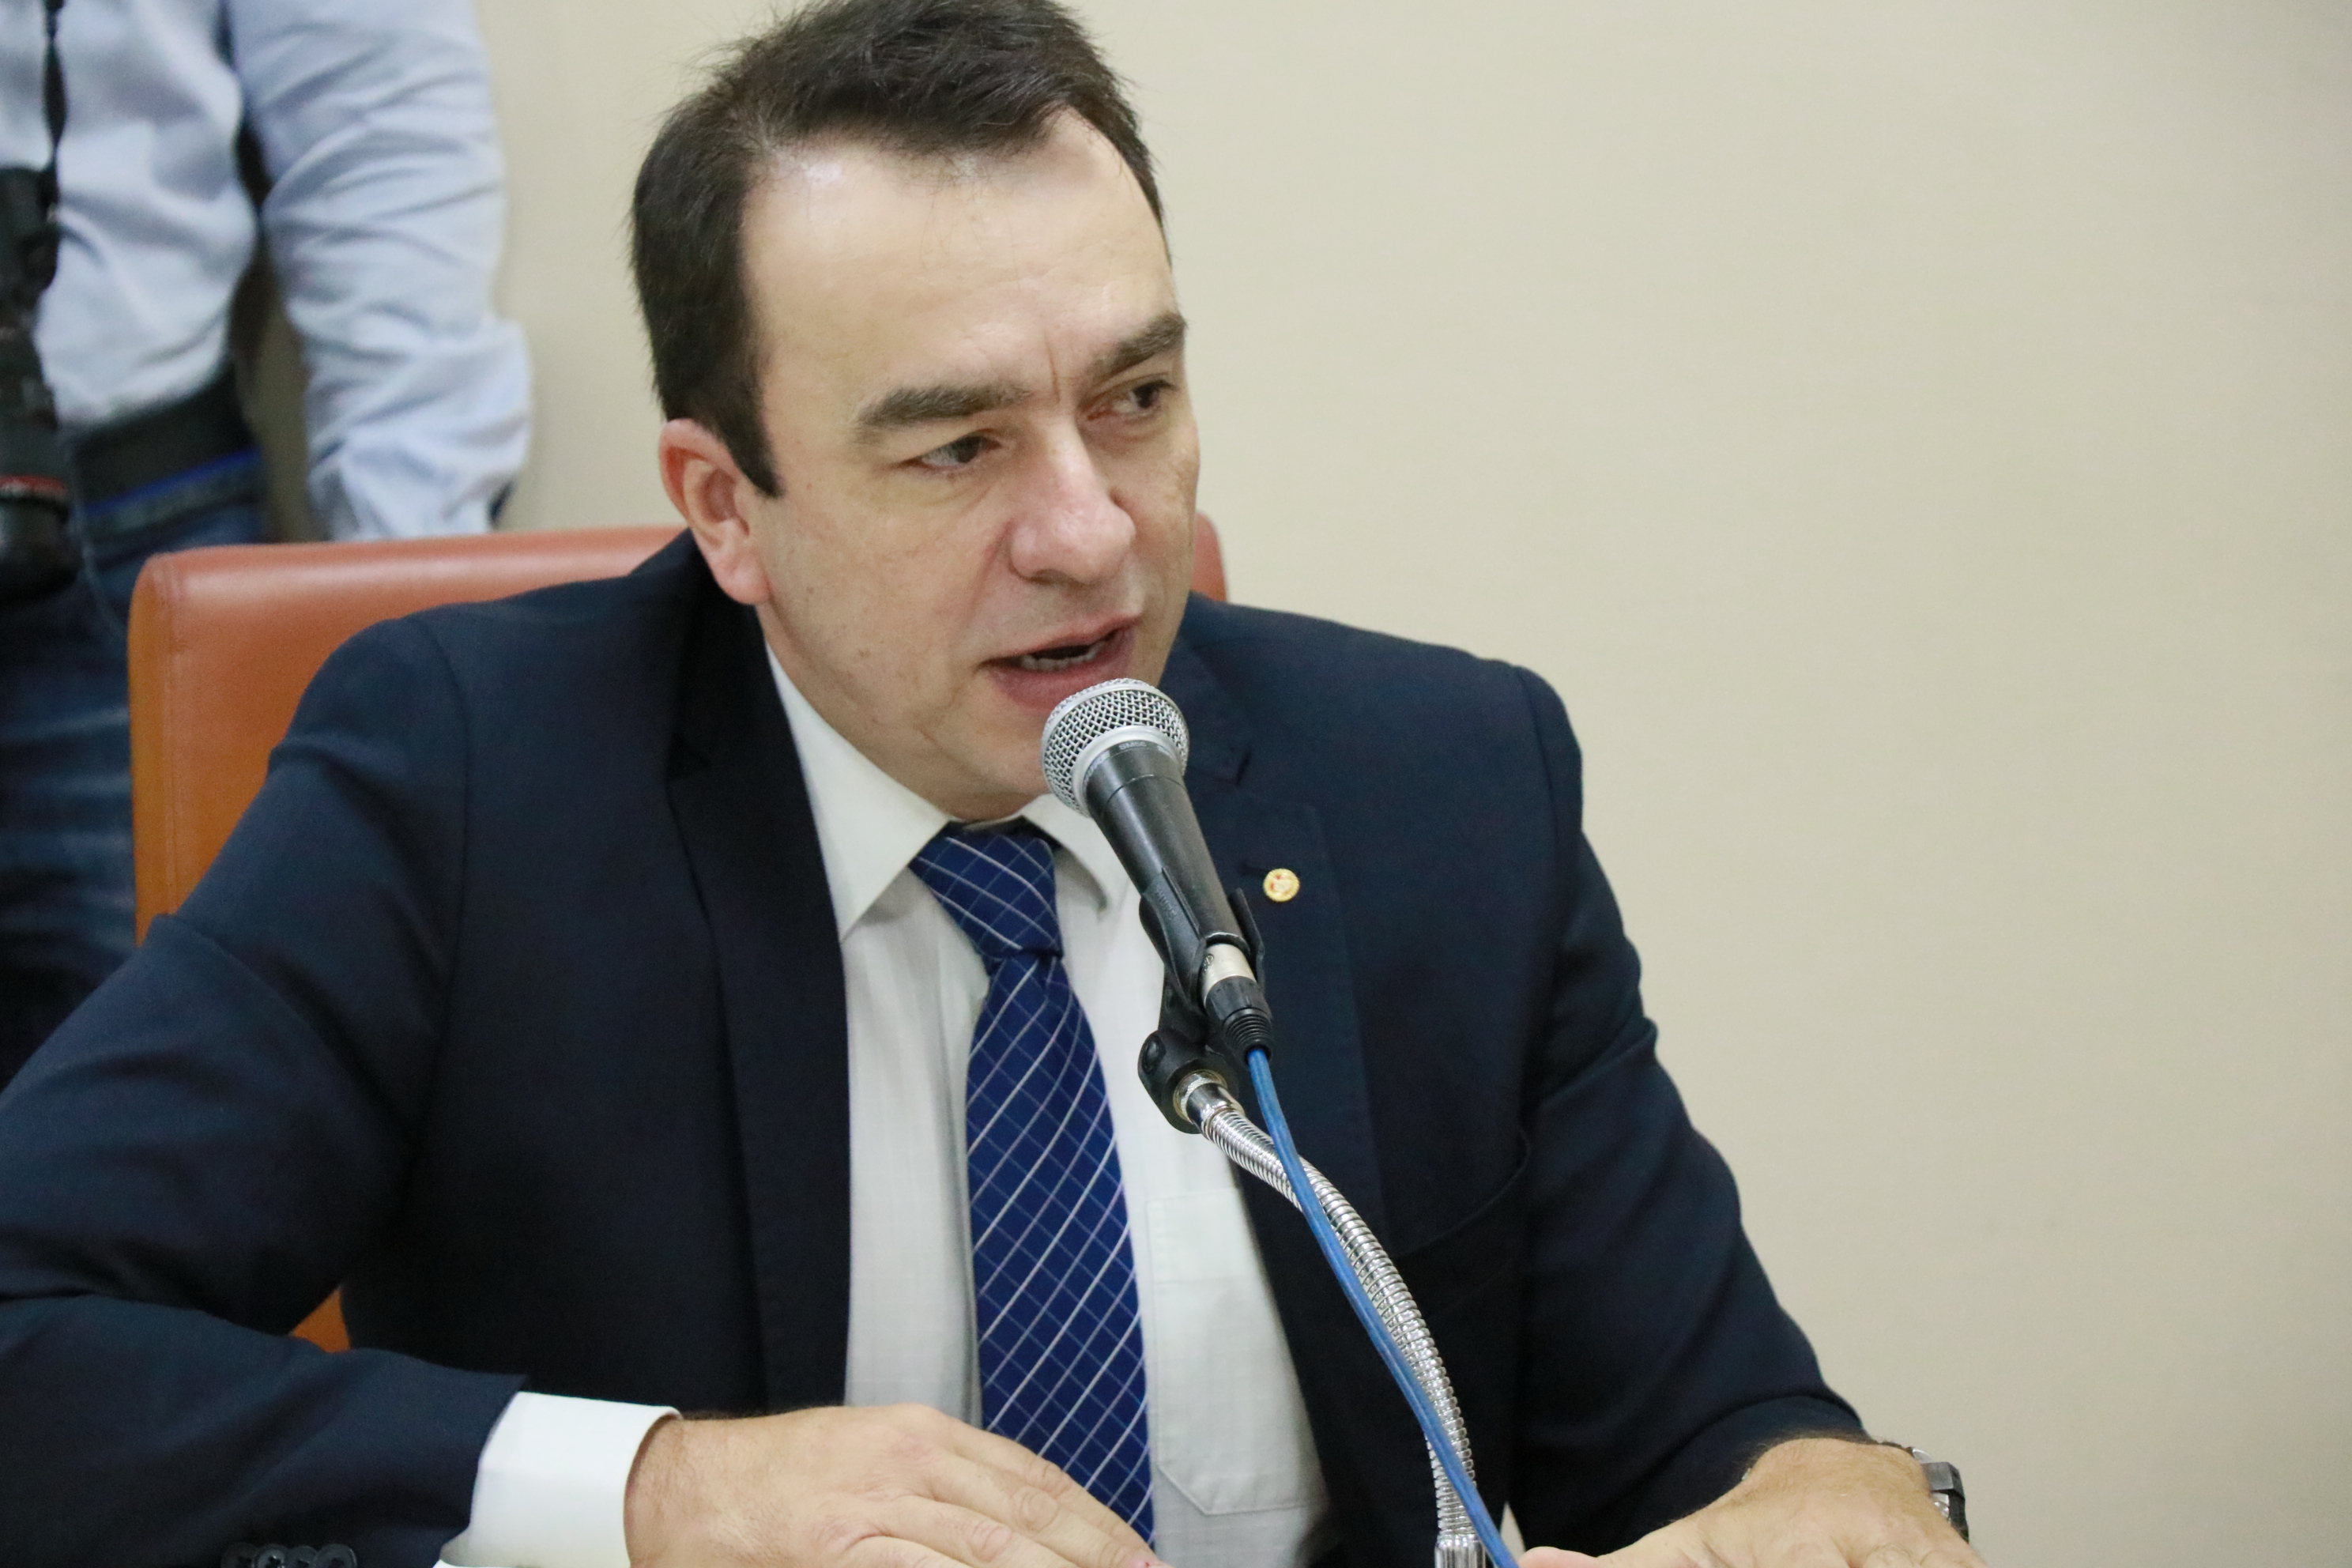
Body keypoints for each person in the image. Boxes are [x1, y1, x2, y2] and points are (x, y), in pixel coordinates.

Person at [0, 3, 1984, 1566]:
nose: (1092, 532)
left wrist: (1832, 1488)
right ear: (727, 508)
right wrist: (662, 1492)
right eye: (956, 448)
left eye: (1136, 399)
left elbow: (1709, 1425)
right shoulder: (468, 783)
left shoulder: (1448, 784)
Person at [0, 0, 529, 1083]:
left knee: (159, 1119)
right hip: (121, 521)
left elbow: (374, 121)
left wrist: (410, 624)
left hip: (123, 534)